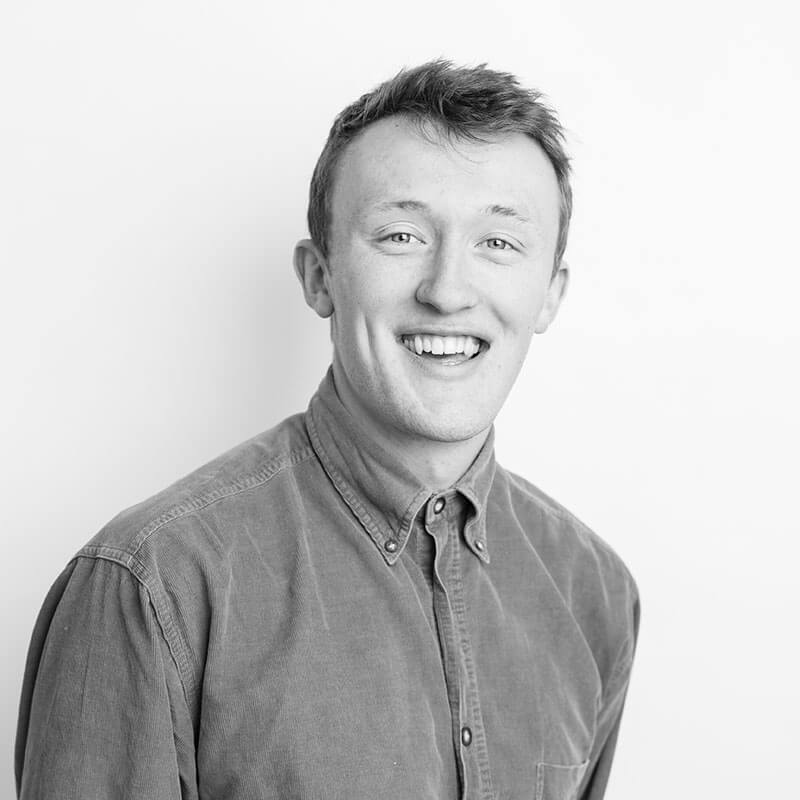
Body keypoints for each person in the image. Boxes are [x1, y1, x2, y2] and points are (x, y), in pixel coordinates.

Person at [15, 60, 639, 800]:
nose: (447, 290)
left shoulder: (593, 590)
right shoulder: (153, 583)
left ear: (550, 293)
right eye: (401, 235)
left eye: (498, 243)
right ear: (319, 277)